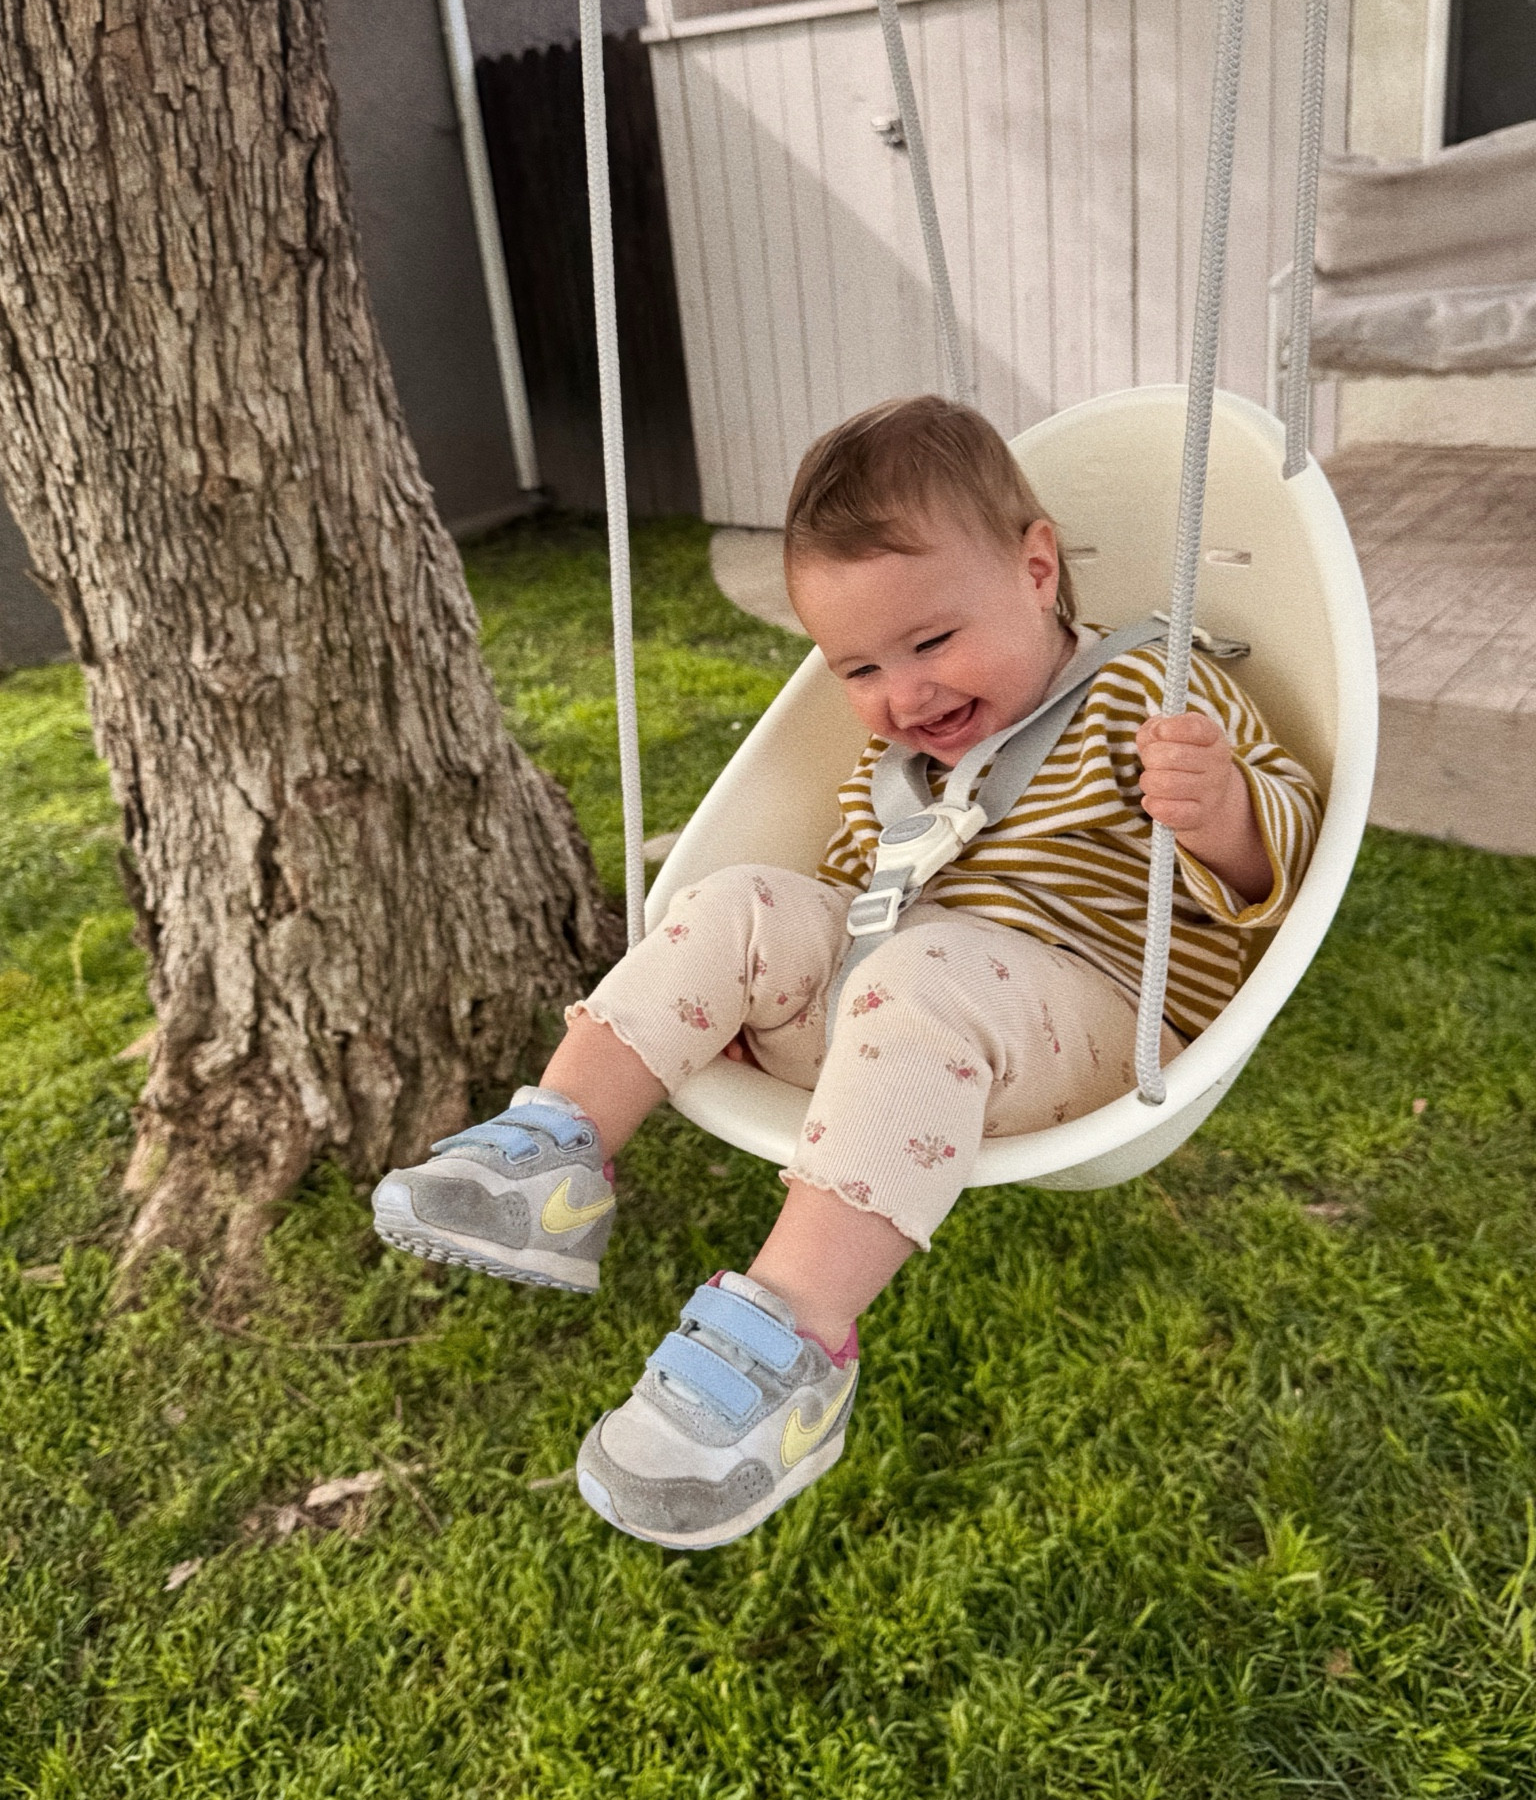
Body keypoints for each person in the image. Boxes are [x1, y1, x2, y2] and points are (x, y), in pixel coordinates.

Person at [371, 395, 1321, 1551]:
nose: (905, 694)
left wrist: (1220, 809)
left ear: (1035, 571)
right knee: (739, 901)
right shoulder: (902, 760)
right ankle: (554, 1156)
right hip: (897, 1005)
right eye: (858, 665)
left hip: (1097, 1021)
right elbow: (853, 894)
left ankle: (793, 1345)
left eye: (931, 642)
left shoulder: (1152, 693)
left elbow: (1296, 840)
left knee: (924, 970)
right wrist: (753, 984)